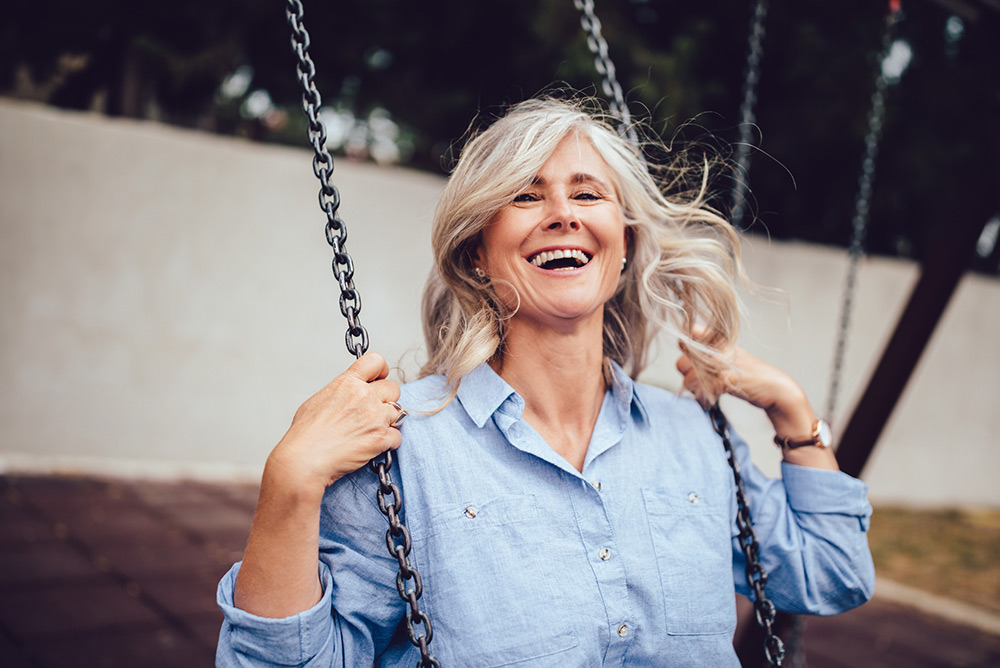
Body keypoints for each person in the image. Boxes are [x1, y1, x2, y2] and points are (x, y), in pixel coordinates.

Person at [216, 97, 874, 667]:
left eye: (588, 193)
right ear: (478, 249)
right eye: (526, 194)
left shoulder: (691, 435)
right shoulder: (402, 447)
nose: (562, 213)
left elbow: (832, 574)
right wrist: (290, 483)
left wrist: (793, 413)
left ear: (624, 247)